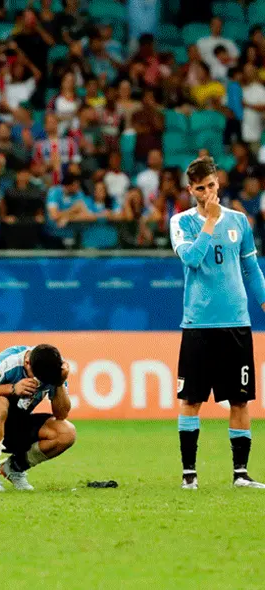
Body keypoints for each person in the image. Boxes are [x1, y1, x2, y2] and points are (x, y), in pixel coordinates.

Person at [169, 157, 265, 490]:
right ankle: (189, 475)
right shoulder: (180, 222)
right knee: (191, 400)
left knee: (240, 400)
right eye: (200, 188)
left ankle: (240, 474)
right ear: (190, 189)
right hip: (198, 324)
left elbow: (252, 270)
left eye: (211, 186)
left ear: (218, 183)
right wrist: (209, 223)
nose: (208, 193)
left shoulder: (240, 221)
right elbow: (192, 259)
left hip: (236, 322)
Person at [0, 343, 76, 492]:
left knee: (66, 432)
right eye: (34, 376)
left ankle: (14, 468)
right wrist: (12, 389)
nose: (38, 381)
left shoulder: (54, 368)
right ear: (27, 362)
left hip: (15, 426)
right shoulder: (10, 361)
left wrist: (59, 382)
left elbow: (61, 414)